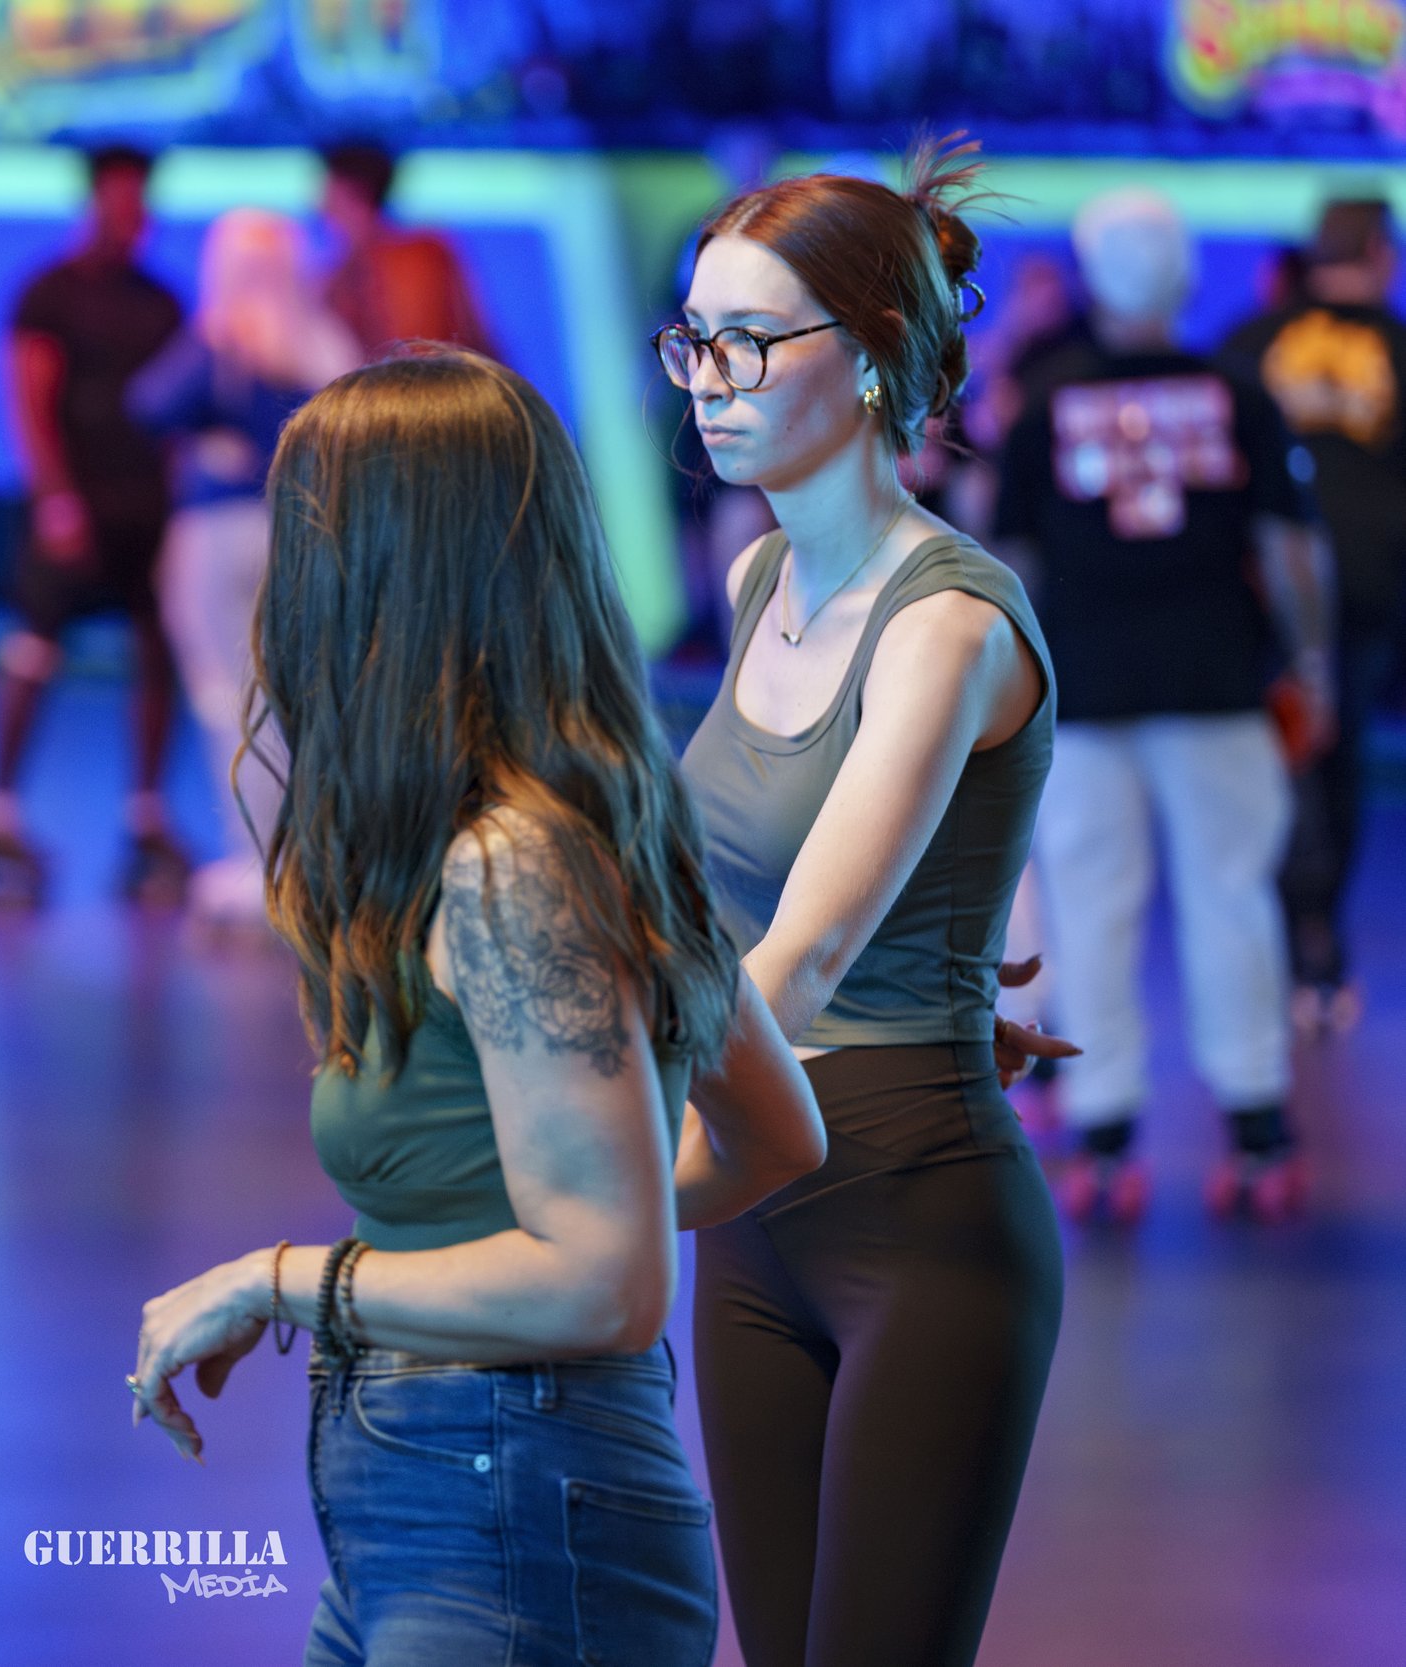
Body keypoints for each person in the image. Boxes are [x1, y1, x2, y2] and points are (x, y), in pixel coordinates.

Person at [131, 349, 826, 1666]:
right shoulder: (582, 817)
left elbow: (607, 1283)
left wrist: (279, 1281)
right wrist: (552, 1215)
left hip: (507, 1492)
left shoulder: (511, 865)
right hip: (455, 1487)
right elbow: (776, 1134)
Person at [661, 137, 1076, 1667]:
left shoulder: (947, 622)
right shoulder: (758, 578)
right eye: (694, 340)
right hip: (751, 1212)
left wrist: (594, 1155)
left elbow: (806, 947)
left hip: (917, 1222)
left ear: (881, 355)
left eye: (751, 342)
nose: (710, 377)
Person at [994, 189, 1331, 1223]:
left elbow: (1006, 559)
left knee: (1092, 911)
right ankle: (1256, 1130)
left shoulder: (1042, 406)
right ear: (1184, 273)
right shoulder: (1237, 394)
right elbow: (1285, 550)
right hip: (1218, 688)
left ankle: (1101, 1141)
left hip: (1084, 698)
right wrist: (1310, 659)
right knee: (1234, 900)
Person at [127, 208, 360, 929]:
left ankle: (262, 861)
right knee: (298, 701)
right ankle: (307, 863)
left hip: (218, 531)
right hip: (303, 532)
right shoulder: (323, 342)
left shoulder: (220, 339)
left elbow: (149, 403)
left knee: (227, 701)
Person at [0, 145, 187, 908]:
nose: (132, 219)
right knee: (34, 652)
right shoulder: (49, 294)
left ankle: (147, 818)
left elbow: (178, 415)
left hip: (146, 512)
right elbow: (30, 400)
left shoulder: (162, 302)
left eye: (141, 206)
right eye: (119, 204)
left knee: (161, 654)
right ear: (95, 203)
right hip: (71, 511)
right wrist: (56, 498)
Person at [1220, 198, 1406, 1037]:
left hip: (1257, 587)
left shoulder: (1249, 344)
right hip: (1369, 585)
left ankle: (1288, 947)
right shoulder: (1399, 347)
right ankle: (1317, 948)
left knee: (1274, 766)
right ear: (1379, 252)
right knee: (1335, 762)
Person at [318, 141, 495, 359]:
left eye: (326, 188)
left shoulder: (414, 258)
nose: (319, 204)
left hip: (424, 388)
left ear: (350, 190)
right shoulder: (344, 269)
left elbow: (418, 350)